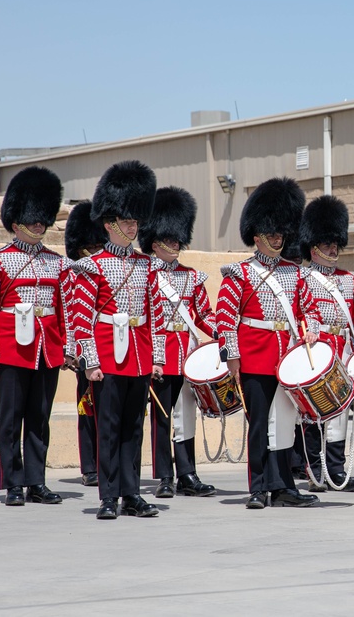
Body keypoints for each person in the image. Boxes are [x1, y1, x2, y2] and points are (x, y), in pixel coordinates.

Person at [216, 177, 322, 509]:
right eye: (272, 233)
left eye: (280, 233)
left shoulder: (297, 273)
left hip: (287, 358)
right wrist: (232, 356)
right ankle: (259, 486)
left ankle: (283, 486)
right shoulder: (240, 273)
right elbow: (225, 317)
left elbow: (311, 308)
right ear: (257, 235)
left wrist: (313, 328)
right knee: (260, 424)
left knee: (285, 425)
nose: (277, 239)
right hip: (254, 356)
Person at [0, 166, 71, 506]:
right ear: (16, 222)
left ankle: (36, 481)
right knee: (11, 419)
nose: (39, 225)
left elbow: (66, 309)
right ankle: (13, 483)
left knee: (39, 420)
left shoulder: (58, 264)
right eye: (32, 219)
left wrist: (70, 349)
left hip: (47, 348)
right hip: (12, 349)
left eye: (42, 219)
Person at [72, 160, 164, 520]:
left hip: (138, 354)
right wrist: (91, 361)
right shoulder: (90, 266)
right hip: (108, 354)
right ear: (111, 225)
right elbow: (82, 319)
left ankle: (130, 493)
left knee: (133, 429)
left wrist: (155, 357)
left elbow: (154, 315)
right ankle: (107, 495)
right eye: (127, 222)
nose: (133, 227)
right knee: (107, 428)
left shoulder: (147, 265)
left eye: (135, 221)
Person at [139, 186, 217, 500]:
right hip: (159, 356)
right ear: (154, 242)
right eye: (169, 239)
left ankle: (187, 473)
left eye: (177, 239)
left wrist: (224, 332)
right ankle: (164, 476)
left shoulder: (191, 276)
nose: (175, 244)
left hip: (187, 355)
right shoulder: (143, 274)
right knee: (161, 418)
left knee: (186, 417)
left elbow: (203, 315)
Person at [297, 194, 354, 493]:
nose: (333, 249)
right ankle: (315, 471)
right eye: (327, 244)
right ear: (313, 247)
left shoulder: (349, 280)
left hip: (341, 350)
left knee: (340, 414)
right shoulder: (302, 278)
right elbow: (301, 314)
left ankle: (336, 470)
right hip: (315, 351)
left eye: (335, 244)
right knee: (314, 413)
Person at [63, 201, 107, 488]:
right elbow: (69, 314)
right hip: (85, 348)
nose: (92, 252)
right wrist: (71, 350)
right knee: (88, 407)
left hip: (111, 344)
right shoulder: (70, 273)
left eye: (96, 246)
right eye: (87, 247)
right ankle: (90, 465)